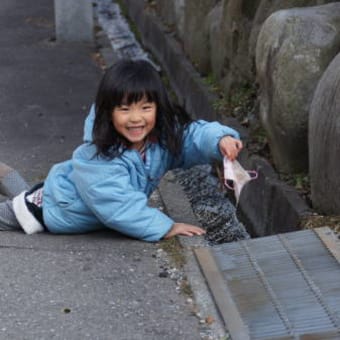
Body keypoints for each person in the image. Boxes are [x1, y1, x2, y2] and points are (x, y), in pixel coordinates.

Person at [0, 59, 243, 242]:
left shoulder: (159, 140)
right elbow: (119, 208)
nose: (136, 119)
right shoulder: (97, 158)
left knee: (26, 192)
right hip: (52, 210)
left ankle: (5, 175)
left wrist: (219, 140)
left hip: (64, 191)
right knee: (19, 208)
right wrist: (166, 227)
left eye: (146, 107)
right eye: (125, 109)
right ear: (108, 112)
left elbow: (191, 137)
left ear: (159, 108)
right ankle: (7, 178)